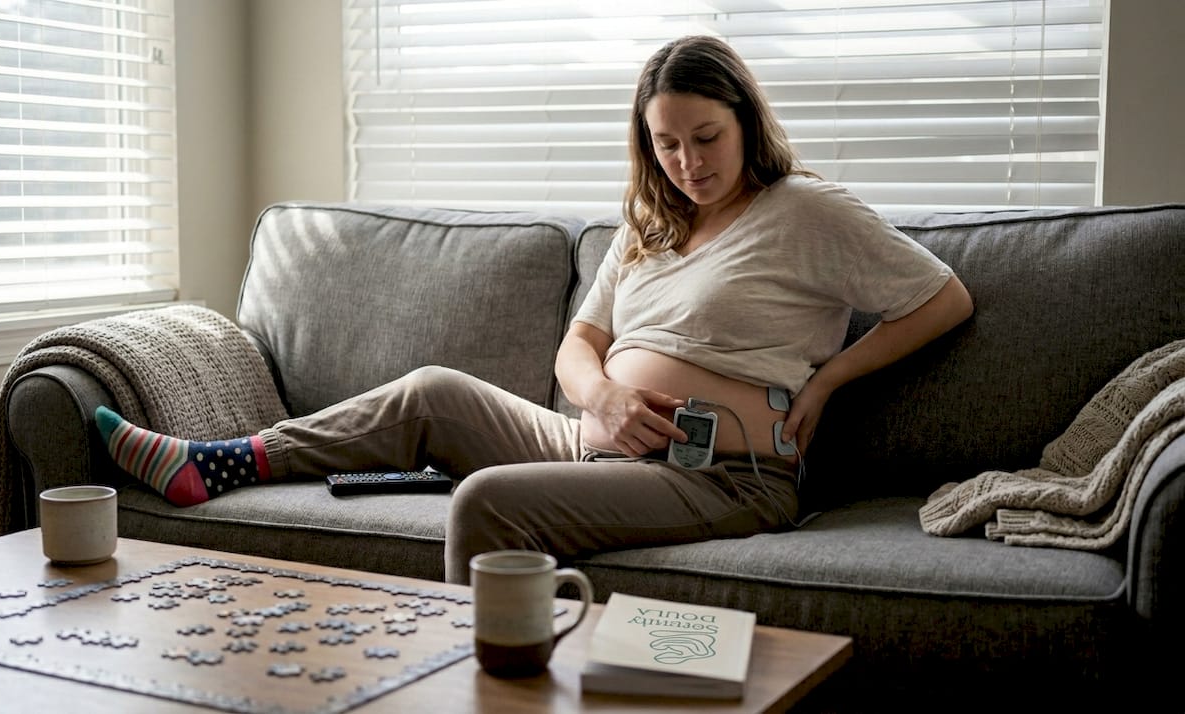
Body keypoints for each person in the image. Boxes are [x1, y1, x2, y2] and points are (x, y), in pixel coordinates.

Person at [93, 35, 973, 585]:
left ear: (746, 120)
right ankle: (220, 465)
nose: (688, 163)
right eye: (666, 144)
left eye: (706, 138)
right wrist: (606, 399)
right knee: (431, 391)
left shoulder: (804, 213)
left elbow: (943, 297)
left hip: (723, 475)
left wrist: (832, 378)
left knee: (483, 507)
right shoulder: (651, 225)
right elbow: (578, 345)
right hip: (592, 438)